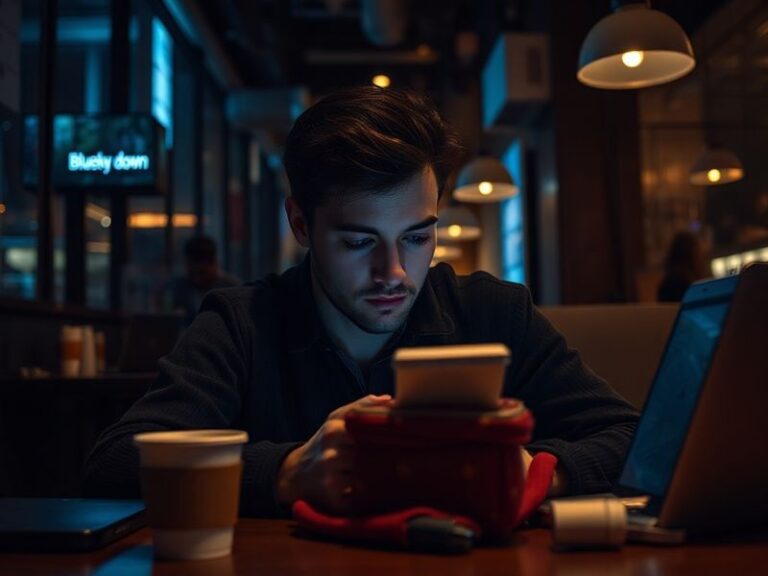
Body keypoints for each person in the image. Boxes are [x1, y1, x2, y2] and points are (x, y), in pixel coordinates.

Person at [84, 87, 639, 517]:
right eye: (358, 242)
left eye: (417, 237)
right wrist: (287, 472)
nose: (393, 272)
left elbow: (637, 439)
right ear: (301, 223)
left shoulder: (493, 313)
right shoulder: (242, 324)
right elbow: (114, 462)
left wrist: (536, 473)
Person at [160, 235, 240, 323]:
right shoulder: (178, 286)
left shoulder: (231, 289)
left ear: (214, 264)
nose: (197, 279)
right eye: (192, 273)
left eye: (201, 273)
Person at [657, 231, 709, 302]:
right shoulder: (683, 282)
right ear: (692, 253)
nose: (702, 257)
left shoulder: (669, 279)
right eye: (698, 252)